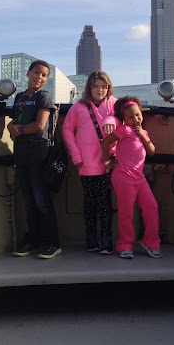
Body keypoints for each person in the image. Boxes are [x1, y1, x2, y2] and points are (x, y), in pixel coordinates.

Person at [7, 60, 61, 259]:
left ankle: (52, 242)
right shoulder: (20, 97)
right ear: (28, 73)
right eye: (37, 72)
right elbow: (15, 120)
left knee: (41, 199)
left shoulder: (43, 97)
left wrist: (18, 130)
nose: (40, 77)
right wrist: (11, 128)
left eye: (44, 75)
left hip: (38, 153)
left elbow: (39, 125)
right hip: (21, 153)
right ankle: (32, 239)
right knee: (28, 200)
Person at [62, 71, 117, 254]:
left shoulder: (114, 105)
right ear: (89, 88)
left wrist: (111, 118)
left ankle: (107, 239)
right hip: (85, 164)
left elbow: (128, 114)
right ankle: (91, 238)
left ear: (108, 88)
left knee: (105, 204)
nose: (100, 90)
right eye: (96, 86)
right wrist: (76, 157)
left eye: (104, 86)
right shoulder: (78, 107)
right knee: (90, 204)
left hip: (108, 162)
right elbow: (67, 129)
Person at [101, 96, 162, 259]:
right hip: (123, 177)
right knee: (126, 212)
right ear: (124, 119)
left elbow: (152, 151)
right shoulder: (123, 130)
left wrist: (142, 135)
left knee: (151, 206)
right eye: (130, 117)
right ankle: (125, 245)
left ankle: (151, 242)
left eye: (137, 115)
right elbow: (105, 142)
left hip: (139, 178)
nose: (136, 119)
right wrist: (108, 161)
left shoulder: (144, 132)